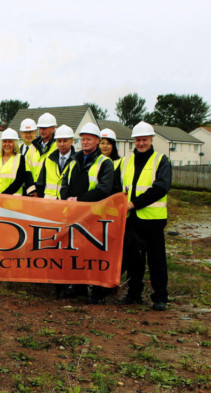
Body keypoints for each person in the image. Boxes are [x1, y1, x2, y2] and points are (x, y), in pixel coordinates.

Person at [117, 121, 172, 311]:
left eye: (144, 139)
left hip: (153, 221)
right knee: (134, 261)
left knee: (156, 260)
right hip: (132, 221)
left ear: (151, 139)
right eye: (138, 140)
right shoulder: (125, 162)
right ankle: (134, 295)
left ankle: (160, 297)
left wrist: (134, 204)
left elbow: (160, 188)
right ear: (134, 140)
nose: (141, 143)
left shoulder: (161, 160)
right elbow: (116, 187)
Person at [60, 122, 115, 304]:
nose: (85, 142)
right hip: (75, 214)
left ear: (97, 141)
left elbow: (103, 189)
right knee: (76, 251)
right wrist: (67, 198)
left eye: (89, 139)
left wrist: (80, 201)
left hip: (95, 215)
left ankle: (99, 293)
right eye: (83, 139)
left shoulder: (104, 163)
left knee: (95, 254)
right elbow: (64, 183)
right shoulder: (74, 160)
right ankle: (78, 287)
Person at [0, 128, 33, 195]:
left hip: (12, 200)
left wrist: (3, 196)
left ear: (15, 144)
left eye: (10, 141)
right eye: (5, 141)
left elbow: (19, 181)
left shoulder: (21, 159)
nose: (7, 144)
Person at [35, 124, 75, 199]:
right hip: (49, 204)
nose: (62, 144)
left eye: (65, 141)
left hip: (67, 205)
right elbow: (40, 184)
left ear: (72, 141)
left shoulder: (76, 161)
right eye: (59, 141)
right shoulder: (48, 160)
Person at [25, 113, 57, 183]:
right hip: (33, 190)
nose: (42, 131)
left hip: (49, 191)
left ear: (53, 128)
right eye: (40, 128)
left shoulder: (57, 147)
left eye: (44, 128)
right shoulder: (33, 146)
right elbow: (27, 168)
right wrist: (32, 188)